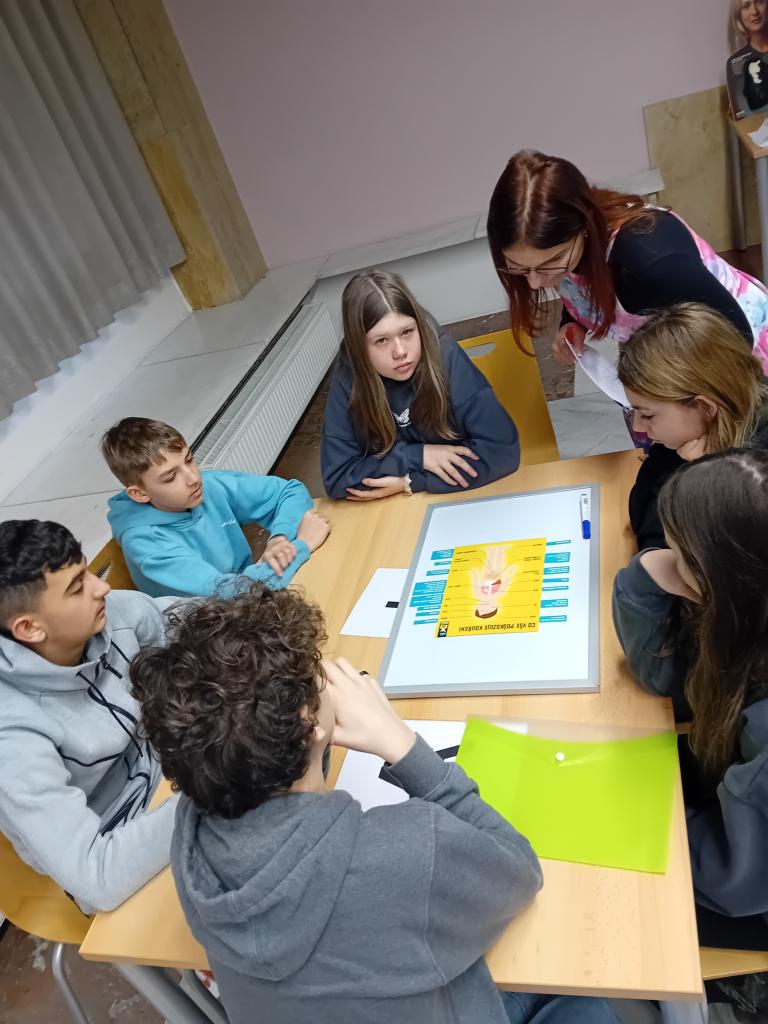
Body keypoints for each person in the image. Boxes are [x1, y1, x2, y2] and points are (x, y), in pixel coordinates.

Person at [132, 585, 619, 1024]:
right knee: (584, 995)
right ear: (308, 720)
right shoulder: (410, 848)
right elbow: (519, 869)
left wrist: (311, 735)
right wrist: (401, 744)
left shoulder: (191, 836)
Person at [613, 450, 768, 949]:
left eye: (680, 554)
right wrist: (647, 577)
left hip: (746, 887)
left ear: (723, 577)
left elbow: (734, 882)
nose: (668, 559)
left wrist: (632, 815)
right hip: (734, 807)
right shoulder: (746, 620)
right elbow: (673, 687)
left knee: (604, 900)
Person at [0, 519, 182, 913]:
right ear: (29, 628)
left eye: (88, 573)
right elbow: (95, 877)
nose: (102, 588)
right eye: (77, 587)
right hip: (126, 847)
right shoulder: (10, 736)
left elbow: (192, 619)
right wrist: (214, 793)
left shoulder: (106, 614)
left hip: (180, 770)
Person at [486, 150, 768, 375]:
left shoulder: (651, 260)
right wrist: (573, 322)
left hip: (741, 362)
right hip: (670, 362)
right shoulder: (568, 249)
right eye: (520, 268)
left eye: (551, 262)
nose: (535, 282)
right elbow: (579, 284)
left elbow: (736, 338)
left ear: (585, 228)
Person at [321, 270, 520, 500]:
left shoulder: (445, 355)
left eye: (407, 332)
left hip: (460, 497)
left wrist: (411, 481)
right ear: (359, 348)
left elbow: (502, 451)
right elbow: (338, 477)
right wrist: (418, 456)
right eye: (381, 340)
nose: (400, 351)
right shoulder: (349, 374)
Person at [102, 417, 330, 598]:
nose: (193, 478)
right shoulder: (147, 545)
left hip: (254, 597)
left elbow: (289, 491)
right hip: (213, 629)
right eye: (171, 477)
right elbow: (230, 594)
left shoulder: (207, 486)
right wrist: (302, 545)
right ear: (139, 494)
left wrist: (279, 539)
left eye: (189, 459)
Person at [617, 303, 768, 549]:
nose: (638, 427)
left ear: (704, 407)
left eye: (647, 415)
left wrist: (697, 477)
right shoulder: (688, 435)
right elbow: (639, 509)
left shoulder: (755, 478)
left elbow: (665, 546)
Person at [727, 0, 768, 116]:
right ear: (738, 15)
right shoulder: (735, 62)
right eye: (746, 6)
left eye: (759, 2)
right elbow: (741, 115)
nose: (754, 11)